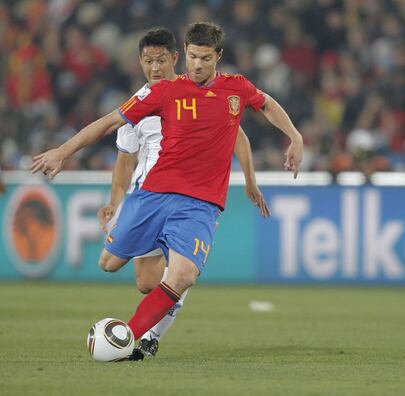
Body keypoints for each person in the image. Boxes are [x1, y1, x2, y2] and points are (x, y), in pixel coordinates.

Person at [31, 22, 303, 355]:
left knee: (183, 274)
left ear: (218, 56)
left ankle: (129, 336)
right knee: (111, 264)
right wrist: (63, 151)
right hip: (154, 195)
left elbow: (266, 105)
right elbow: (109, 123)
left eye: (205, 58)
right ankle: (157, 274)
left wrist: (295, 137)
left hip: (200, 204)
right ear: (184, 54)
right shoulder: (164, 91)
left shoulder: (236, 89)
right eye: (192, 57)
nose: (197, 65)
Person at [97, 28, 269, 358]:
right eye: (149, 61)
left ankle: (148, 337)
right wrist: (114, 201)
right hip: (148, 199)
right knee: (145, 282)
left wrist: (249, 178)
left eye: (161, 60)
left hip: (191, 199)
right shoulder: (140, 104)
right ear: (140, 63)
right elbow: (124, 159)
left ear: (176, 58)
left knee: (180, 273)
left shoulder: (198, 94)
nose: (155, 68)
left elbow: (237, 135)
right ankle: (170, 290)